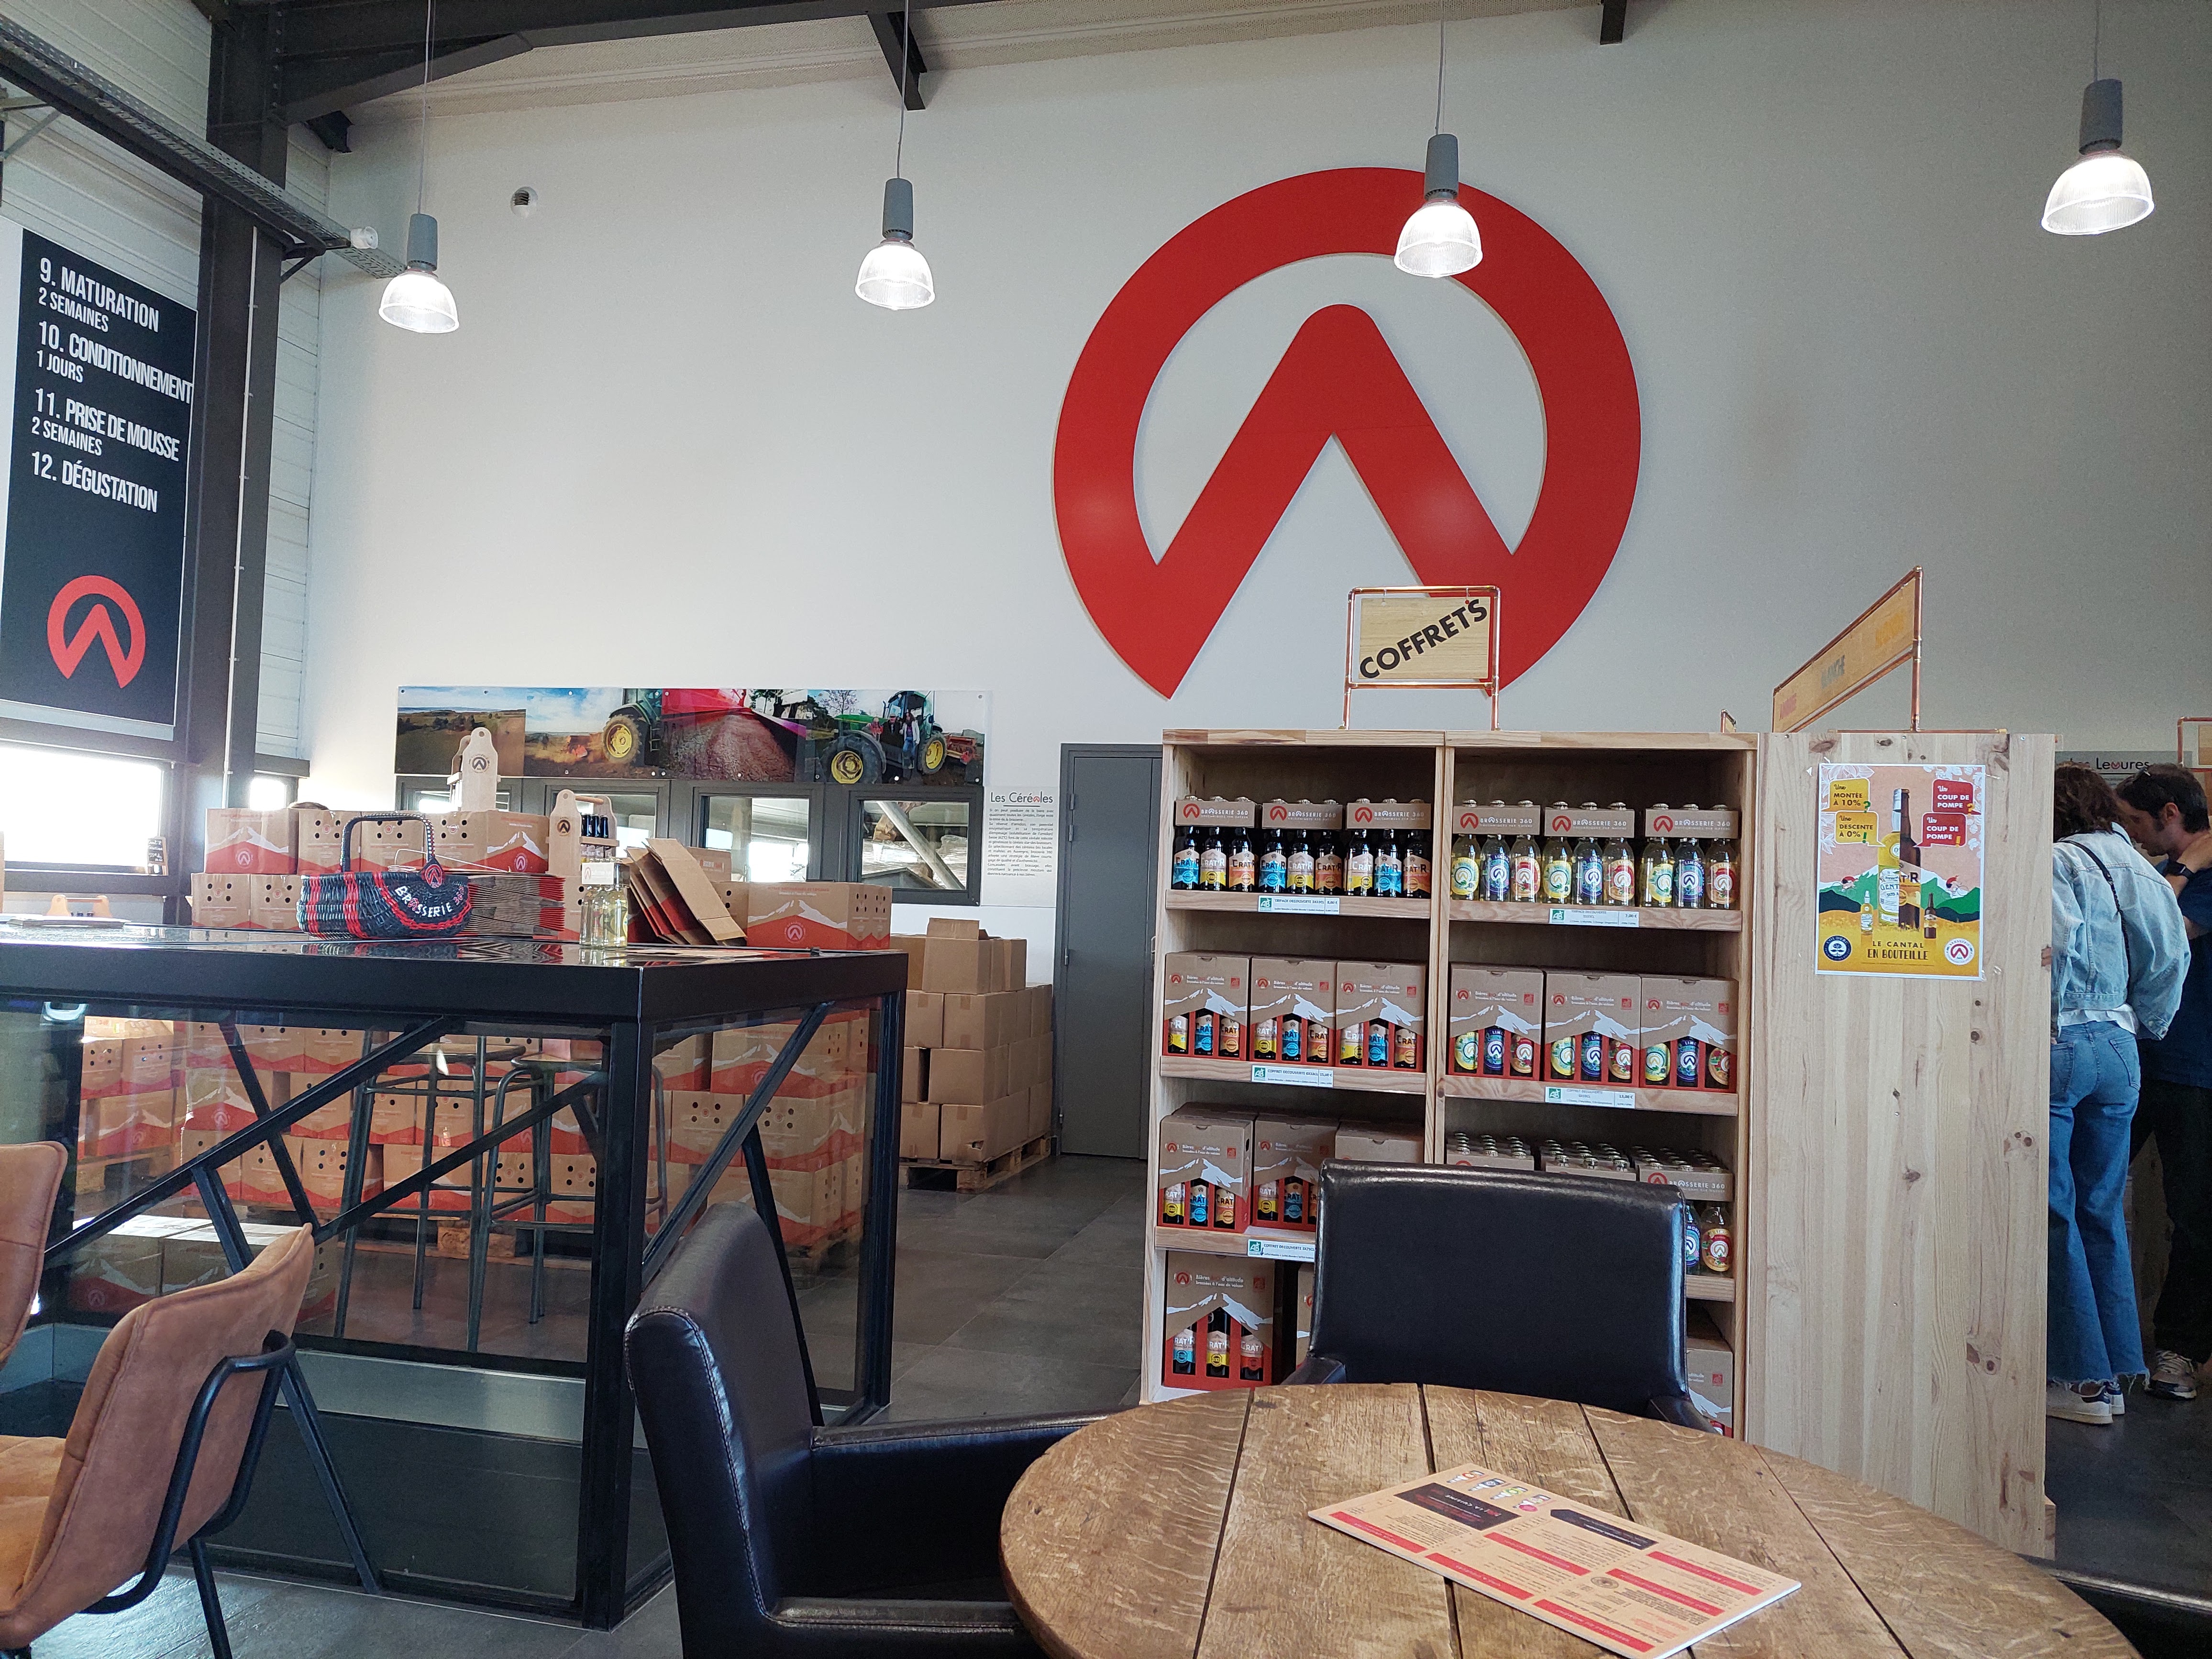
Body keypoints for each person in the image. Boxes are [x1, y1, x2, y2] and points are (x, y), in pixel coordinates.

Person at [2047, 765, 2187, 1424]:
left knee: (2053, 1212)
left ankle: (2080, 1380)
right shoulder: (2141, 868)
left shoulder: (2056, 862)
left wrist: (2043, 1021)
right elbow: (2171, 959)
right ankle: (2116, 1376)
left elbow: (2052, 949)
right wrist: (2143, 1022)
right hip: (2122, 1045)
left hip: (2062, 1041)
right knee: (2102, 1210)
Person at [2115, 764, 2212, 1402]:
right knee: (2077, 1196)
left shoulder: (2203, 876)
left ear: (2170, 813)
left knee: (2195, 1216)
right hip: (2138, 1058)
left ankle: (2179, 1350)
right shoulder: (2169, 871)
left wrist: (2185, 868)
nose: (2131, 834)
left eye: (2136, 822)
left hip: (2193, 1070)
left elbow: (2165, 935)